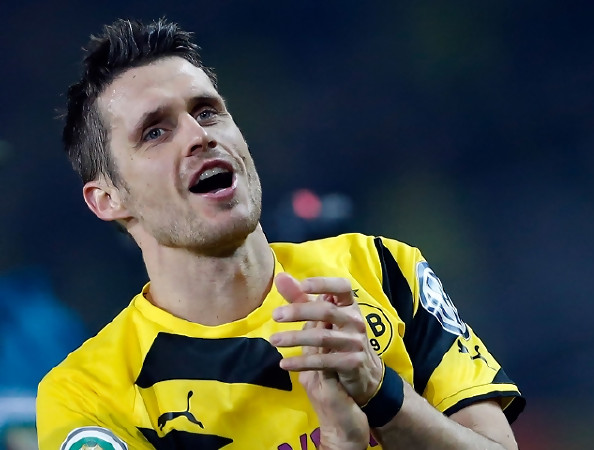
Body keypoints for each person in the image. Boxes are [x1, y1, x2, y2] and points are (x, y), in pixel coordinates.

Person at [37, 18, 525, 450]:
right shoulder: (89, 395)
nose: (199, 135)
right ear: (107, 199)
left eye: (206, 111)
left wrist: (383, 392)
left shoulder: (380, 268)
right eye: (155, 132)